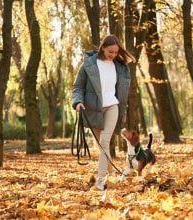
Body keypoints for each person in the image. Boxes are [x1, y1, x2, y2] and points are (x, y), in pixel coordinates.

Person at [72, 34, 135, 190]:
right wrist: (78, 102)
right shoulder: (89, 65)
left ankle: (100, 180)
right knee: (102, 146)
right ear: (103, 48)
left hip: (113, 106)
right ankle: (111, 173)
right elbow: (78, 87)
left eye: (116, 52)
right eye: (110, 52)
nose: (113, 55)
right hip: (93, 109)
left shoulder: (119, 66)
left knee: (105, 142)